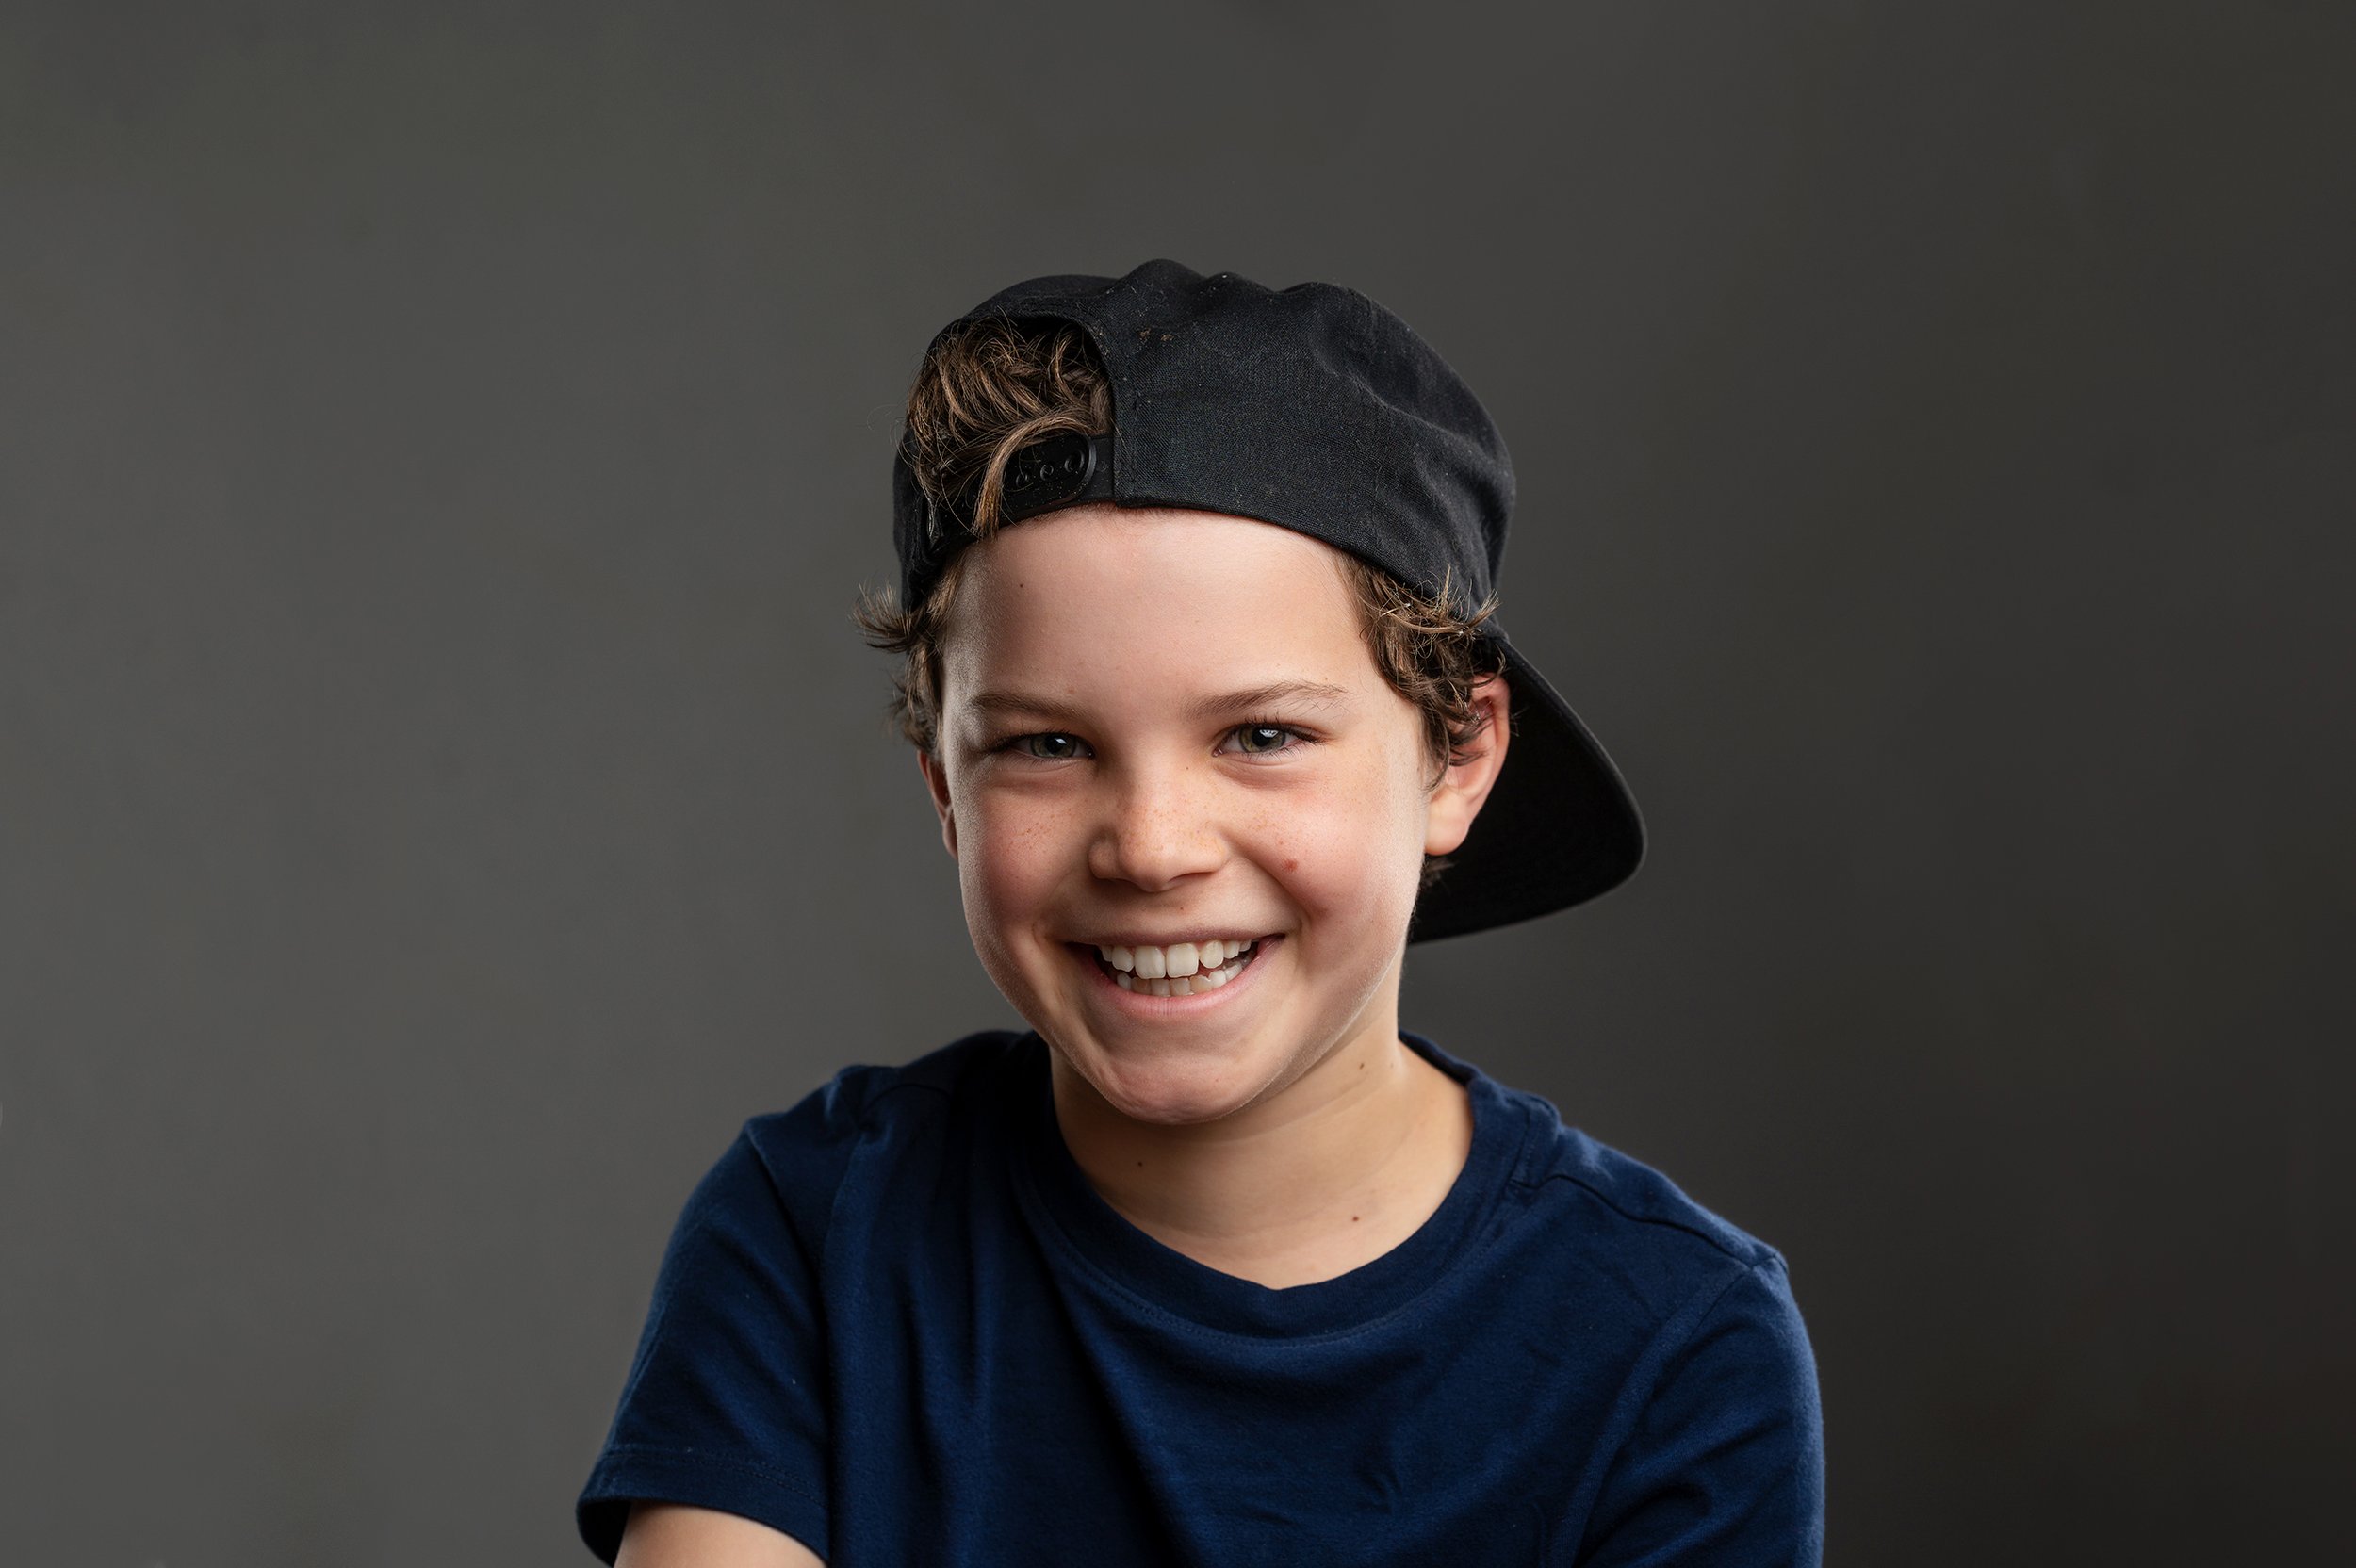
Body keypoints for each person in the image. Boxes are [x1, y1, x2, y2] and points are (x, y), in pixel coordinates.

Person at [576, 260, 1825, 1566]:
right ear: (945, 786)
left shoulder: (1674, 1344)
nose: (1152, 848)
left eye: (1263, 734)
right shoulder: (813, 1233)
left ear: (1456, 755)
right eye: (1047, 745)